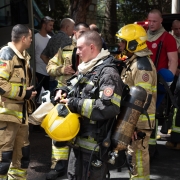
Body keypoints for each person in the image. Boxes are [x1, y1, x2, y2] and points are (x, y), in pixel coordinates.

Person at [54, 30, 123, 180]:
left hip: (94, 146)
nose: (77, 52)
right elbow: (73, 86)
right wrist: (62, 91)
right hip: (77, 141)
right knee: (73, 176)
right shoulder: (87, 69)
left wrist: (74, 103)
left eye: (80, 48)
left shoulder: (108, 73)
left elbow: (108, 107)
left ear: (92, 47)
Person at [45, 22, 90, 180]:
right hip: (63, 96)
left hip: (83, 97)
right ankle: (58, 166)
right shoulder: (64, 50)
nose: (84, 34)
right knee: (59, 131)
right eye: (82, 32)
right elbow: (49, 68)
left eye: (87, 32)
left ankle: (79, 167)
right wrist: (62, 70)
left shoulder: (93, 50)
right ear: (75, 33)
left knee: (84, 134)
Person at [116, 24, 157, 180]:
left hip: (139, 122)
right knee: (133, 156)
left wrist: (132, 123)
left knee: (138, 156)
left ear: (133, 43)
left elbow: (143, 98)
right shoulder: (133, 62)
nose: (119, 44)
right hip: (134, 120)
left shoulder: (141, 66)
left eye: (122, 41)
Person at [0, 24, 37, 180]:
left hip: (21, 116)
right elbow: (0, 83)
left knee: (22, 157)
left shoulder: (23, 56)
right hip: (7, 117)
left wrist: (27, 94)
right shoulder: (6, 55)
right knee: (3, 158)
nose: (31, 41)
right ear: (23, 38)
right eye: (30, 38)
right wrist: (25, 93)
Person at [146, 9, 178, 158]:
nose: (151, 24)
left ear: (160, 22)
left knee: (152, 114)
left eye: (154, 21)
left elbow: (173, 60)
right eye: (149, 21)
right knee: (143, 114)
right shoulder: (142, 36)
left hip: (159, 83)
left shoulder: (168, 38)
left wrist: (169, 81)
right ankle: (146, 145)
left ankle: (150, 148)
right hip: (143, 82)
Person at [41, 18, 75, 92]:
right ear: (67, 28)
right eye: (73, 28)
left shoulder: (52, 38)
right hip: (64, 81)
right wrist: (62, 68)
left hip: (52, 77)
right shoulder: (69, 42)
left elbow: (43, 56)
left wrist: (54, 67)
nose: (74, 31)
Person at [165, 20, 180, 149]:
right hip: (173, 76)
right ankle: (173, 137)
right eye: (175, 29)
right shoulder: (170, 40)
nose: (178, 31)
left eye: (179, 28)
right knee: (173, 106)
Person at [35, 16, 54, 103]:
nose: (52, 28)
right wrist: (33, 72)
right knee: (36, 97)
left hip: (48, 74)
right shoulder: (35, 38)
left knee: (46, 99)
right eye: (50, 25)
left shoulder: (50, 39)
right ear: (43, 25)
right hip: (38, 73)